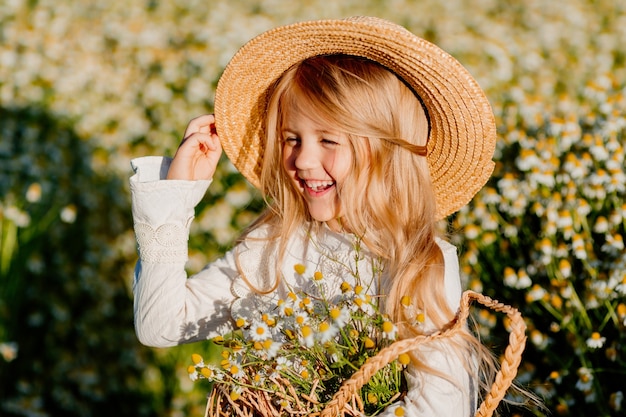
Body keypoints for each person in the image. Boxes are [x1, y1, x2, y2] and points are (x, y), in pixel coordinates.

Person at [130, 17, 502, 416]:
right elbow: (161, 326)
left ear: (387, 152)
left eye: (328, 140)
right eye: (292, 138)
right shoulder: (274, 247)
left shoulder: (419, 265)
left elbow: (439, 410)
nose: (303, 159)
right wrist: (176, 195)